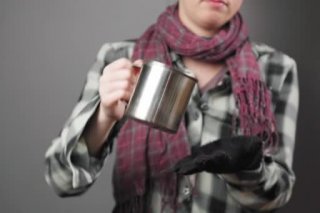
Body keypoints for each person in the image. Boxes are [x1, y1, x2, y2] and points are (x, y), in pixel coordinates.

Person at [45, 0, 299, 212]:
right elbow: (62, 180)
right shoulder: (121, 58)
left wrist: (247, 167)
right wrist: (103, 116)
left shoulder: (276, 68)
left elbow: (275, 197)